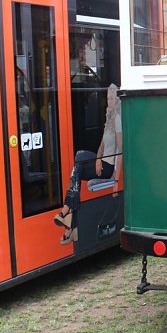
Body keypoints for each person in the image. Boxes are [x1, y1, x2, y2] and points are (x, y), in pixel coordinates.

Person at [53, 84, 122, 244]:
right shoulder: (109, 119)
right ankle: (71, 227)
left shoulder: (118, 119)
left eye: (112, 98)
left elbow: (120, 151)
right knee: (76, 178)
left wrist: (116, 180)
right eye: (108, 98)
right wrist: (97, 159)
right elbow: (101, 147)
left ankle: (67, 210)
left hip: (107, 167)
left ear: (118, 100)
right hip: (102, 163)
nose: (109, 101)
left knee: (79, 156)